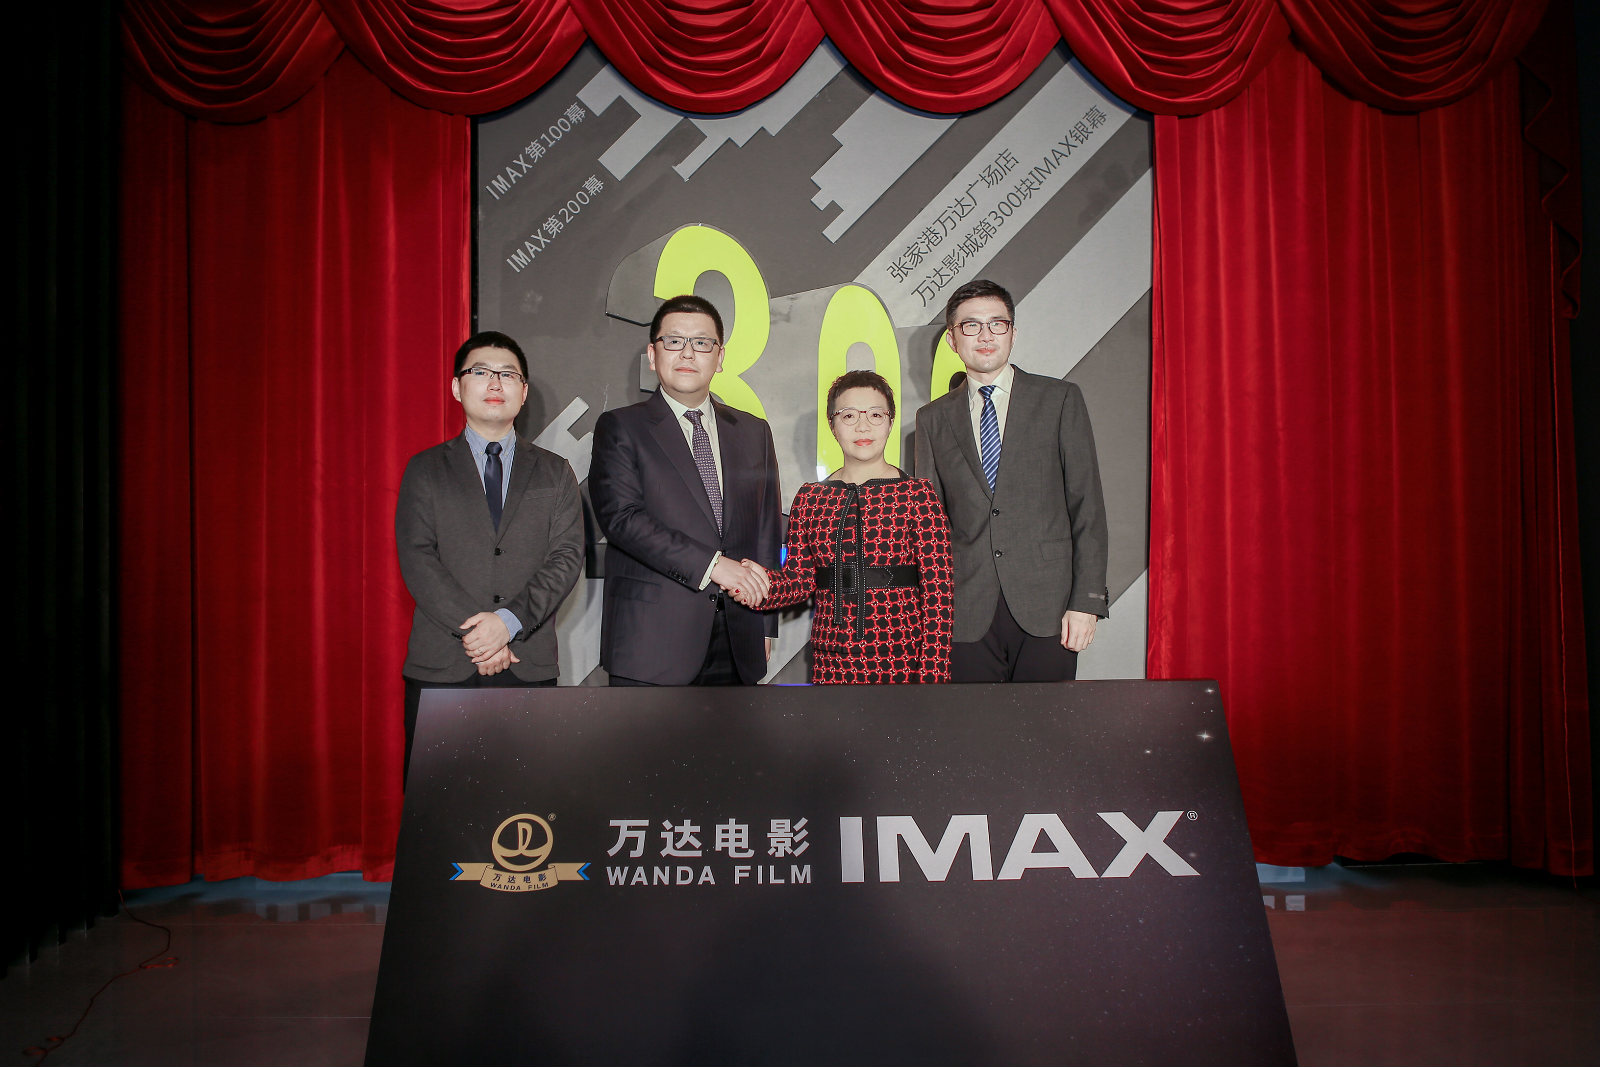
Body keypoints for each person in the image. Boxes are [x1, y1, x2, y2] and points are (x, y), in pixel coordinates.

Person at [395, 331, 584, 778]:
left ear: (524, 392)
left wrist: (508, 623)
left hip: (526, 662)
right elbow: (417, 558)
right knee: (440, 804)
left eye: (508, 375)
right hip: (443, 666)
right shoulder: (425, 469)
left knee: (528, 802)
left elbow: (566, 557)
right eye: (481, 372)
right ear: (457, 387)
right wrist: (480, 634)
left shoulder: (555, 472)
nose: (495, 383)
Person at [913, 279, 1109, 682]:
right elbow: (930, 528)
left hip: (1049, 607)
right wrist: (931, 616)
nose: (985, 335)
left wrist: (1086, 602)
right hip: (964, 612)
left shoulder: (1059, 400)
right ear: (952, 339)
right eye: (971, 325)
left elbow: (1087, 506)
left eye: (997, 324)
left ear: (1013, 333)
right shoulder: (932, 419)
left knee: (1046, 720)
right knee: (972, 722)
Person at [589, 294, 781, 685]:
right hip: (652, 642)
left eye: (702, 343)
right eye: (674, 341)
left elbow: (766, 529)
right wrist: (713, 565)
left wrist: (765, 621)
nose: (688, 353)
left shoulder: (753, 431)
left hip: (738, 638)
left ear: (720, 357)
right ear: (652, 354)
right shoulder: (621, 427)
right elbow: (622, 520)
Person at [752, 371, 952, 683]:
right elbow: (798, 582)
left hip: (903, 660)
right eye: (849, 415)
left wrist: (933, 674)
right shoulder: (811, 498)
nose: (863, 426)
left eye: (875, 414)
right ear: (832, 425)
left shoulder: (917, 494)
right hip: (832, 661)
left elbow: (939, 592)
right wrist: (752, 585)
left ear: (890, 422)